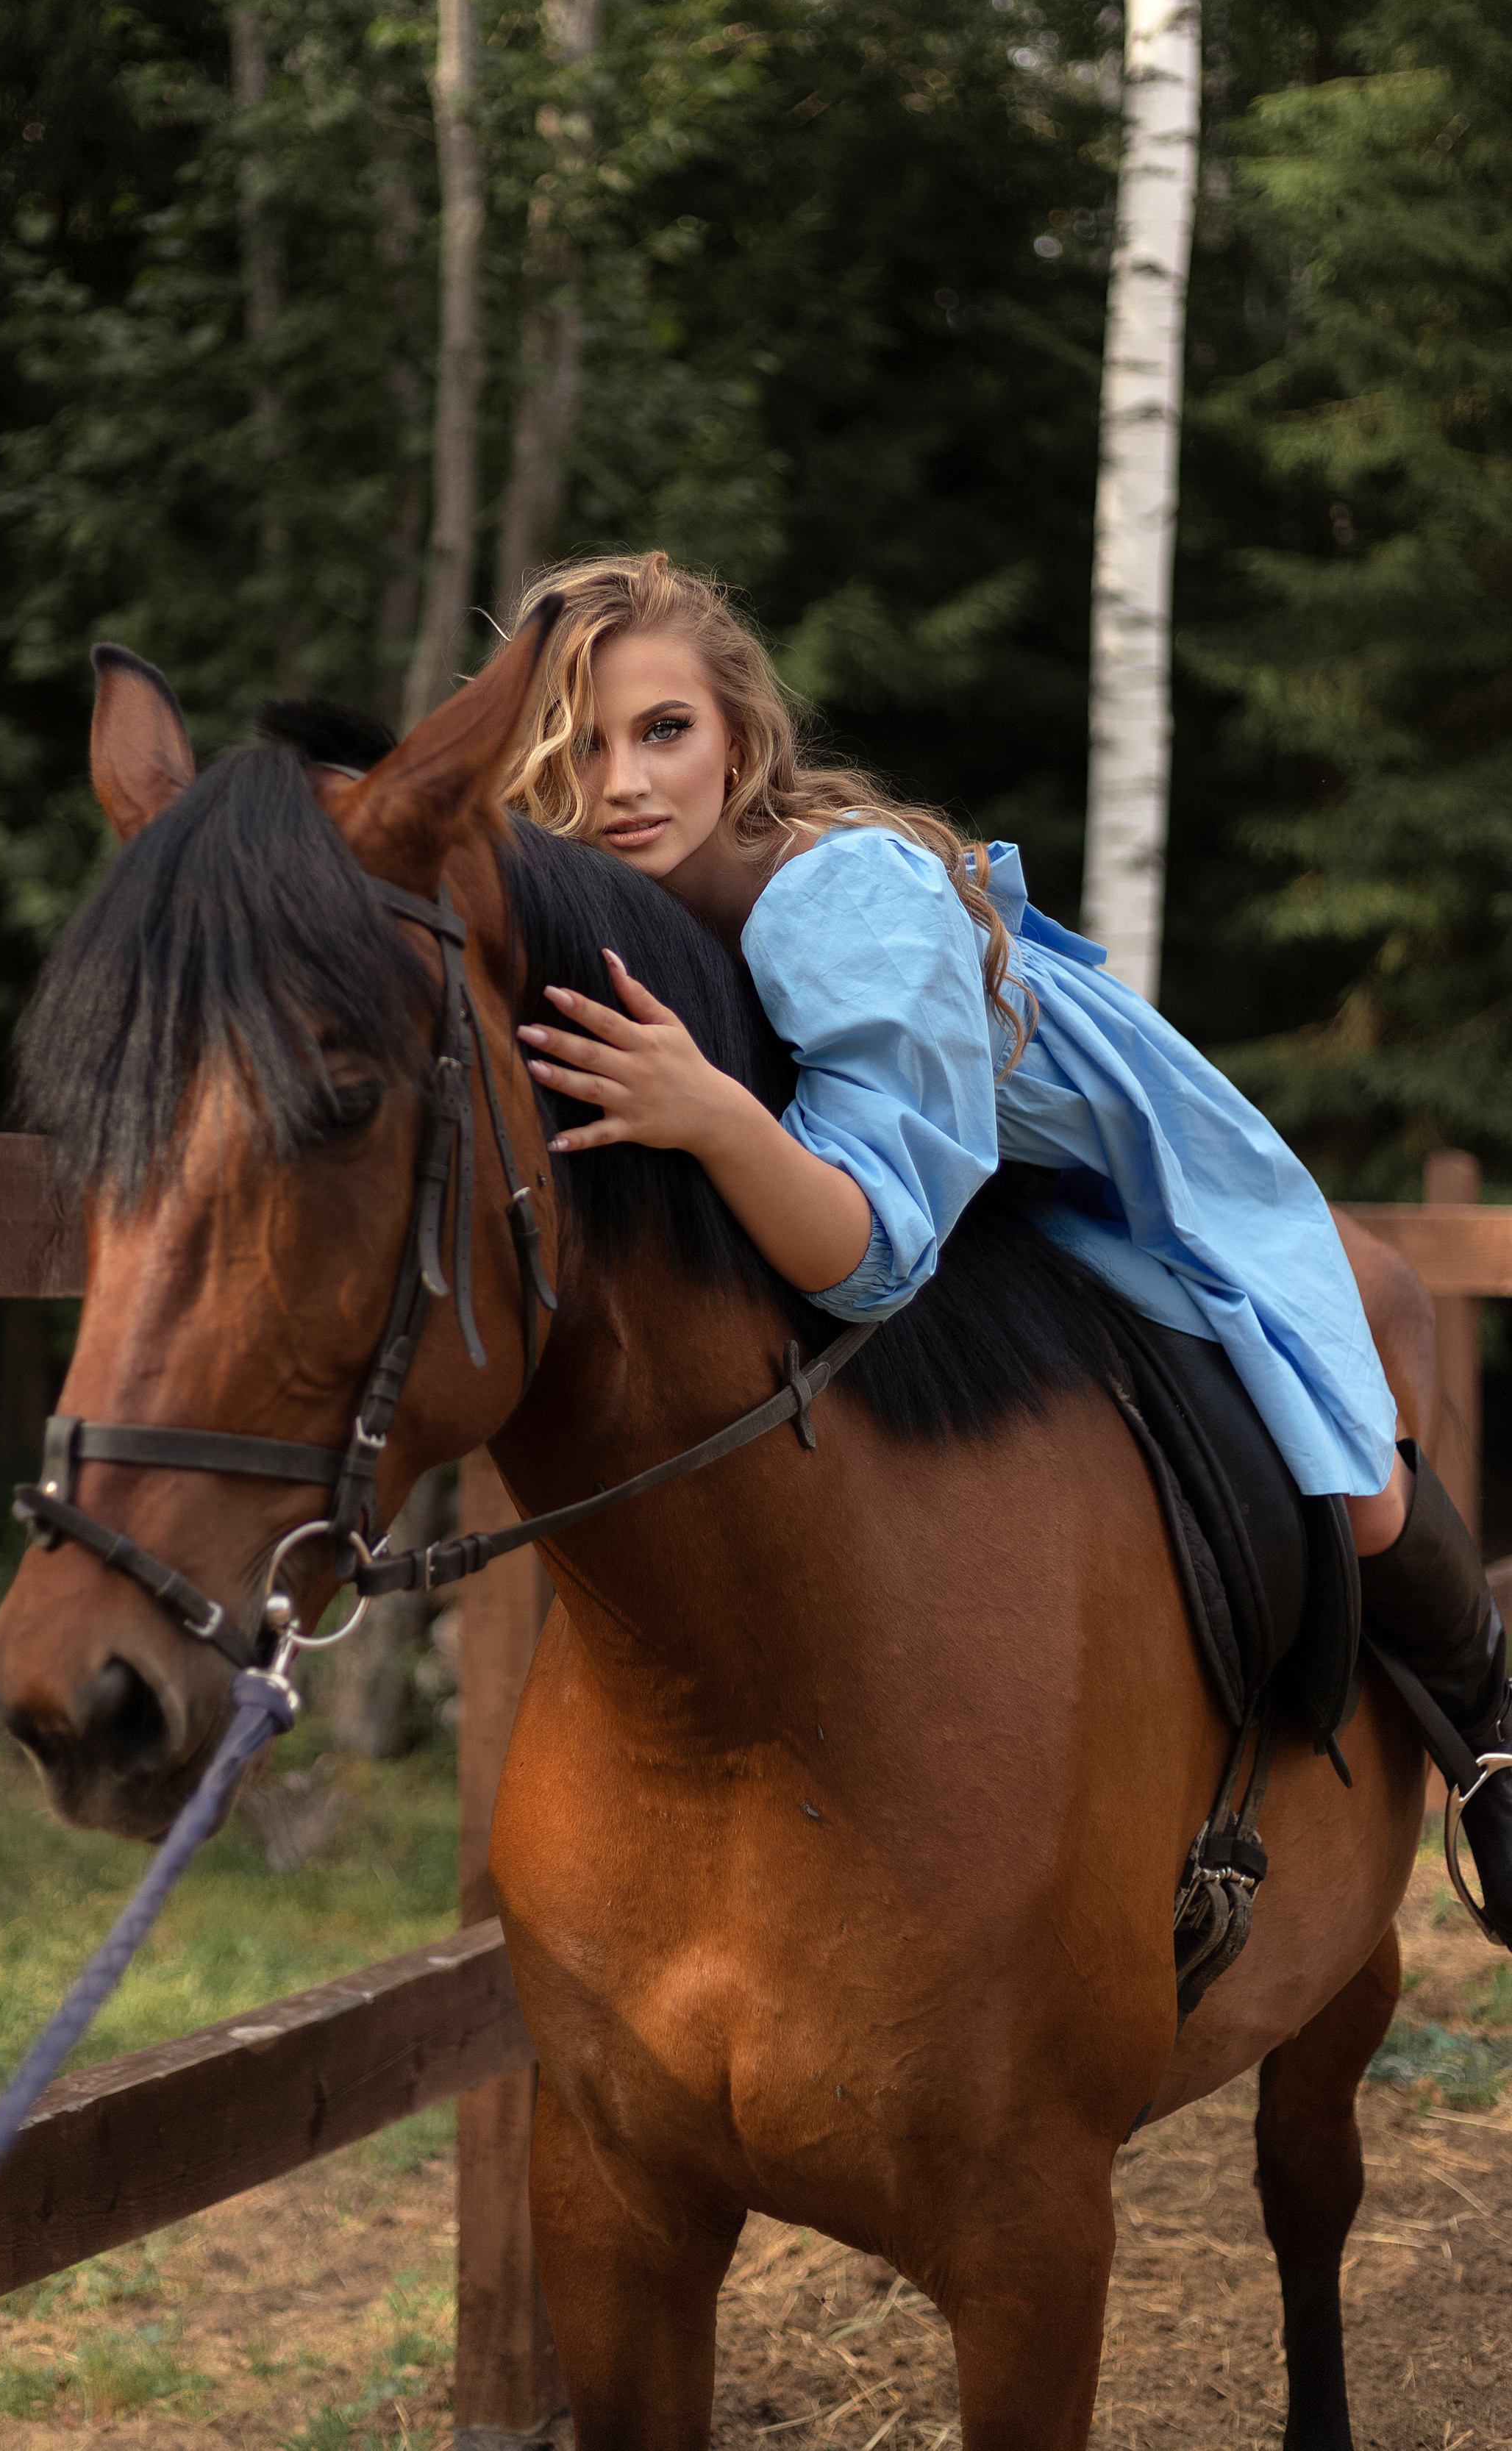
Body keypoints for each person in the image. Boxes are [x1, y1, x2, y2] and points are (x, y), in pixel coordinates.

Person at [505, 552, 1512, 1944]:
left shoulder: (836, 902)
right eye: (584, 744)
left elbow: (870, 1253)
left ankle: (1495, 1732)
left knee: (1333, 1454)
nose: (623, 783)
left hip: (1118, 1161)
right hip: (958, 1180)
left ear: (738, 736)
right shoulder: (626, 913)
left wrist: (710, 1112)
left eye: (664, 730)